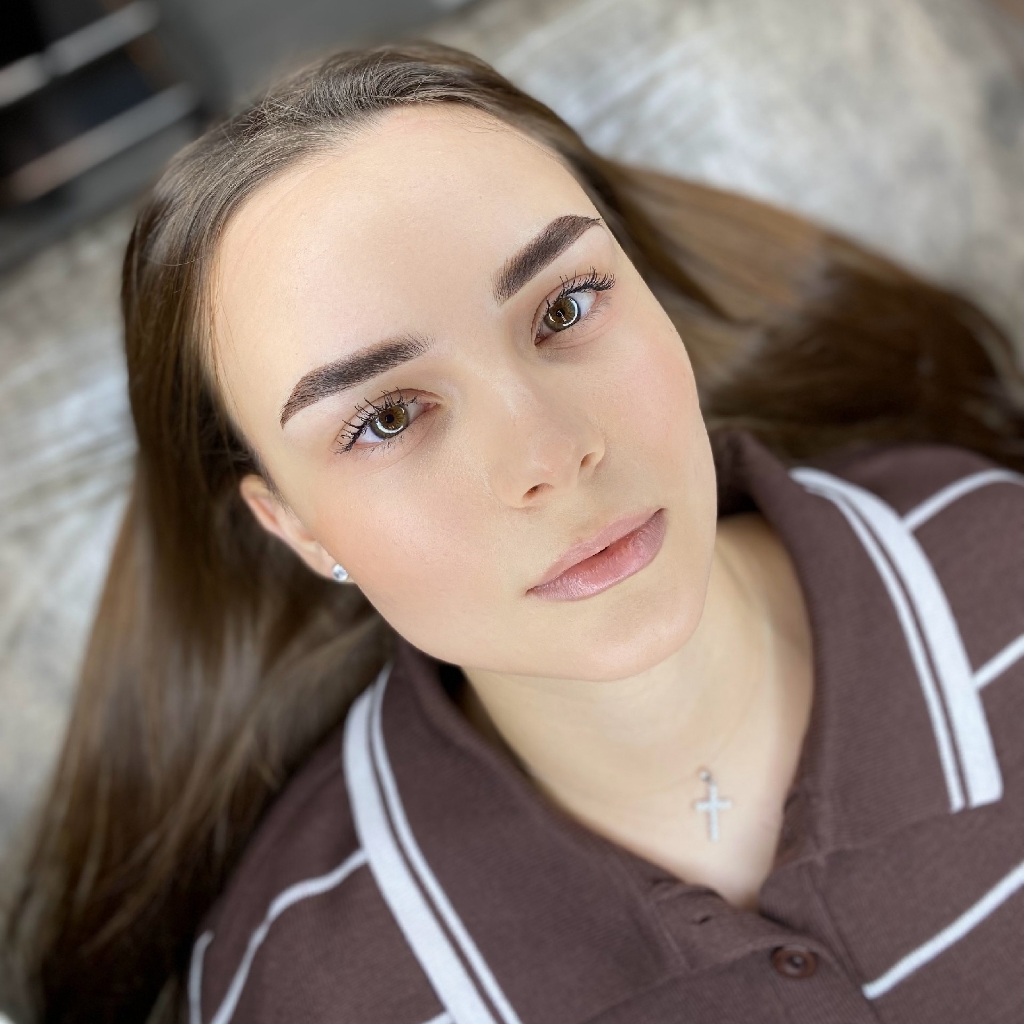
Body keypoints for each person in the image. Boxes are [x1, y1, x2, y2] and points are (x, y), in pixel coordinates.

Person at [7, 42, 1024, 1024]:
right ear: (296, 527)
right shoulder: (303, 990)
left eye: (566, 306)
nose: (551, 453)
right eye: (387, 418)